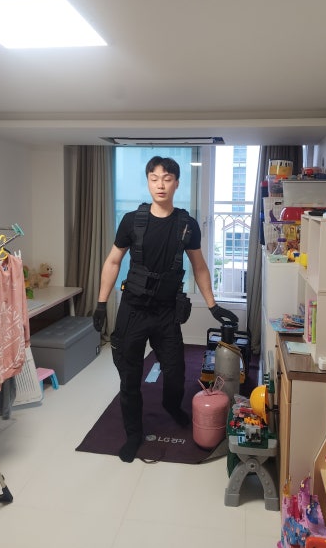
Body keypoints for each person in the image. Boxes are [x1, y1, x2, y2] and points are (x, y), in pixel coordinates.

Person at [93, 155, 238, 463]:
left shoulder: (187, 225)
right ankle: (134, 434)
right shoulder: (132, 221)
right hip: (133, 310)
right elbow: (113, 261)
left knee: (175, 371)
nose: (160, 185)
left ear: (176, 183)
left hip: (166, 312)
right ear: (148, 181)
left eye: (167, 179)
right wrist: (101, 303)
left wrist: (213, 305)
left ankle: (171, 405)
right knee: (130, 376)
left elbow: (199, 266)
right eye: (154, 178)